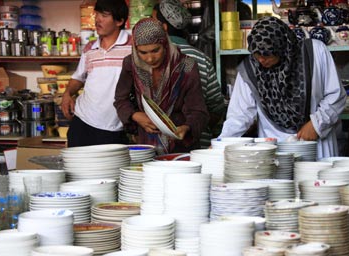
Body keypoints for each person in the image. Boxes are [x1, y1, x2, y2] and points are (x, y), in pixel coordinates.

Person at [219, 17, 346, 159]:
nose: (261, 60)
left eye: (267, 54)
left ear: (282, 47)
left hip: (317, 146)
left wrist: (317, 124)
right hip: (275, 150)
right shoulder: (250, 69)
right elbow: (239, 115)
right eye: (256, 54)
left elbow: (336, 95)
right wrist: (221, 143)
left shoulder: (314, 52)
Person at [114, 18, 209, 154]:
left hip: (180, 146)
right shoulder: (131, 64)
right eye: (143, 52)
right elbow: (121, 100)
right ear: (135, 49)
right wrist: (135, 115)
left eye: (155, 50)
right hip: (146, 146)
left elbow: (198, 110)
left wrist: (187, 127)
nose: (150, 58)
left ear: (165, 44)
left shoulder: (186, 65)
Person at [153, 0, 227, 148]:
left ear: (163, 27)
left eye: (152, 22)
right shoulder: (202, 59)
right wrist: (198, 127)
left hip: (158, 145)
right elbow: (216, 107)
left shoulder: (149, 58)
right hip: (198, 146)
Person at [61, 0, 131, 147]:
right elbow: (78, 77)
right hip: (83, 122)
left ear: (119, 21)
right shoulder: (90, 48)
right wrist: (67, 94)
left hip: (115, 127)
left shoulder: (133, 47)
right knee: (78, 168)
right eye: (97, 14)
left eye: (104, 15)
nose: (98, 19)